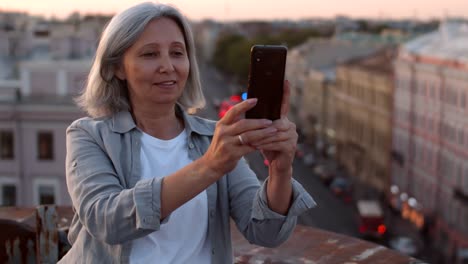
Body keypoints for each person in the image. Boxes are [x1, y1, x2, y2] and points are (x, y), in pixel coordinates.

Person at [59, 2, 315, 263]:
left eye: (177, 53)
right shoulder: (88, 135)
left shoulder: (212, 138)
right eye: (150, 54)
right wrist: (209, 167)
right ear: (118, 68)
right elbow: (105, 221)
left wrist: (280, 170)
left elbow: (266, 233)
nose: (168, 66)